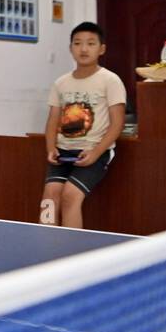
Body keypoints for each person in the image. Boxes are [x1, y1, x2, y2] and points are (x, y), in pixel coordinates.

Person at [41, 22, 126, 228]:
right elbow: (53, 120)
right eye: (77, 43)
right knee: (49, 197)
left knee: (70, 195)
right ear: (71, 49)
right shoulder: (60, 83)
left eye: (90, 43)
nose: (84, 48)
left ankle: (72, 253)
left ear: (101, 49)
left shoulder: (110, 80)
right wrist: (51, 147)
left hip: (94, 151)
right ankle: (43, 243)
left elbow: (118, 123)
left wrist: (96, 153)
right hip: (63, 151)